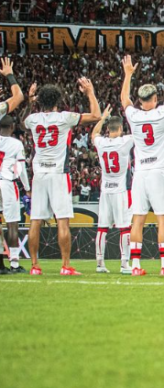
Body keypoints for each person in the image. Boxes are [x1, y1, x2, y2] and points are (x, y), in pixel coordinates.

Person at [120, 47, 164, 277]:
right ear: (155, 99)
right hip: (159, 171)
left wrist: (128, 74)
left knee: (137, 220)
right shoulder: (162, 113)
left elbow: (124, 99)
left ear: (140, 101)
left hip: (140, 172)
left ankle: (135, 266)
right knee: (163, 218)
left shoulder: (133, 115)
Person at [23, 78, 101, 276]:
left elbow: (23, 121)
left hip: (39, 174)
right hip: (58, 173)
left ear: (40, 102)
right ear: (58, 100)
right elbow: (96, 116)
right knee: (63, 221)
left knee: (36, 220)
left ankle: (34, 266)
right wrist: (90, 92)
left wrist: (30, 101)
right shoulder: (64, 117)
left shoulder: (33, 119)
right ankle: (65, 265)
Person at [91, 105, 135, 275]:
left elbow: (94, 134)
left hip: (105, 190)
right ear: (121, 128)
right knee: (124, 227)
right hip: (120, 190)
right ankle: (124, 264)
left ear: (108, 129)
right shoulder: (125, 141)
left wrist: (102, 118)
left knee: (102, 227)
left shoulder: (101, 142)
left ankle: (100, 263)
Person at [0, 115, 30, 274]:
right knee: (12, 224)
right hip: (7, 183)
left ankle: (0, 264)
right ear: (12, 127)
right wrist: (27, 188)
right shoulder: (16, 144)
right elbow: (21, 169)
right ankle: (14, 263)